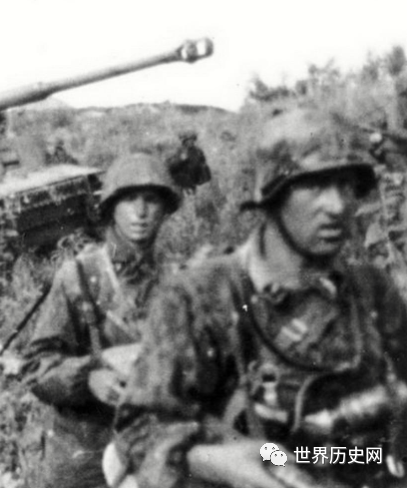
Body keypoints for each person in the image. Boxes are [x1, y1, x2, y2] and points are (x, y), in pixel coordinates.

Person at [110, 108, 407, 488]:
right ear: (273, 196)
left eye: (346, 185)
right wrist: (215, 461)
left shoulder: (370, 287)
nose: (336, 205)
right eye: (316, 186)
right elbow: (138, 430)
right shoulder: (199, 297)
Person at [22, 153, 182, 488]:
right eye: (129, 200)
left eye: (151, 200)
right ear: (111, 208)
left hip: (157, 446)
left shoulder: (181, 277)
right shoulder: (78, 276)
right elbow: (36, 368)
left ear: (165, 209)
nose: (140, 212)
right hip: (88, 451)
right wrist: (89, 377)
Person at [166, 130, 211, 194]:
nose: (190, 143)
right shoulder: (181, 151)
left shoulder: (198, 150)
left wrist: (203, 167)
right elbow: (175, 165)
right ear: (184, 142)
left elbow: (203, 161)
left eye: (191, 141)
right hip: (185, 175)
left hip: (195, 174)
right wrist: (182, 160)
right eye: (187, 141)